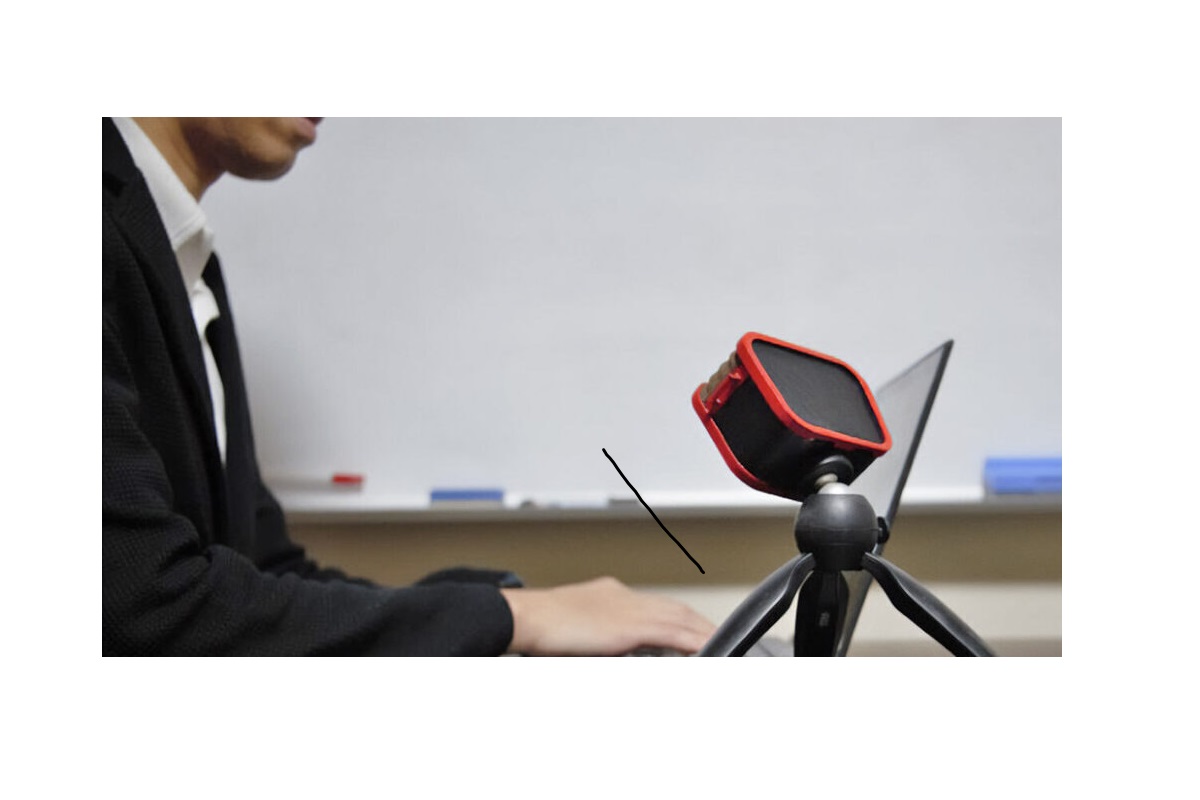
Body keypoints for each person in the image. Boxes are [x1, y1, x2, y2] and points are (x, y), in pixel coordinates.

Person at [102, 117, 716, 656]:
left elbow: (265, 572)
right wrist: (515, 617)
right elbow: (147, 606)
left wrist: (512, 606)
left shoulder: (187, 260)